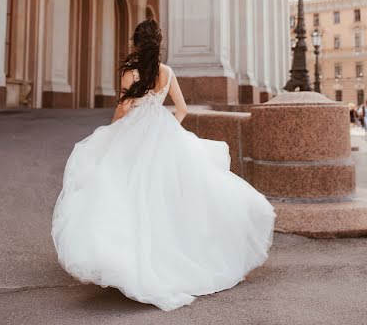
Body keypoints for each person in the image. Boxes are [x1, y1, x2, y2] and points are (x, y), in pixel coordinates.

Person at [52, 19, 275, 311]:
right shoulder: (167, 72)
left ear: (136, 43)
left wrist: (114, 130)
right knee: (169, 196)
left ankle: (125, 258)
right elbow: (181, 109)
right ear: (158, 44)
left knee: (122, 190)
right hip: (163, 131)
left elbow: (123, 108)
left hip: (133, 133)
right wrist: (168, 130)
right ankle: (172, 256)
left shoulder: (130, 73)